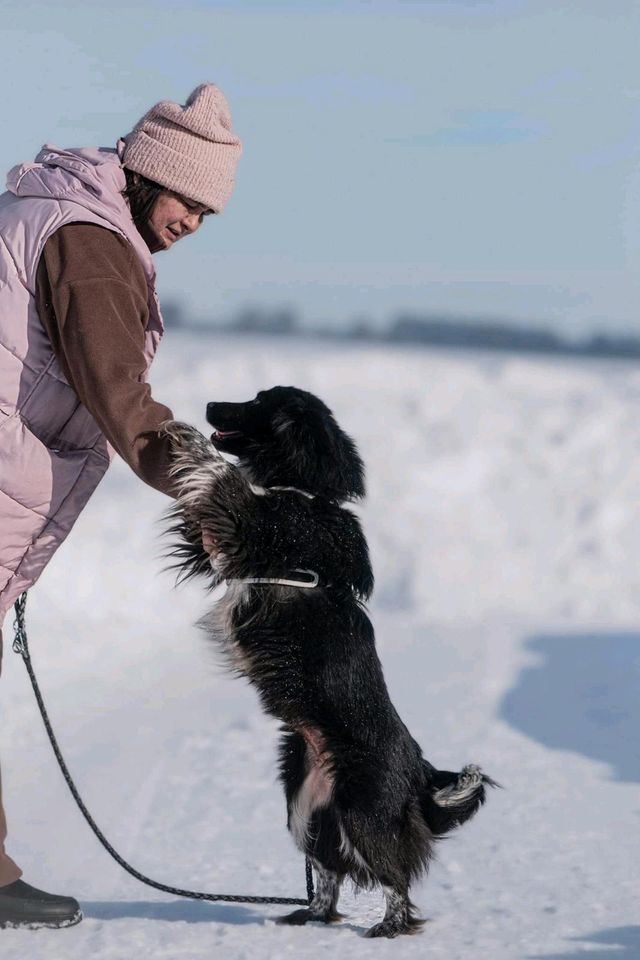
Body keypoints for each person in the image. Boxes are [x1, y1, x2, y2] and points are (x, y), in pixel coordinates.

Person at [0, 83, 242, 929]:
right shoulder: (92, 242)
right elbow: (121, 397)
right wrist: (208, 486)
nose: (194, 224)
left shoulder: (52, 208)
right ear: (144, 174)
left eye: (211, 213)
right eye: (188, 201)